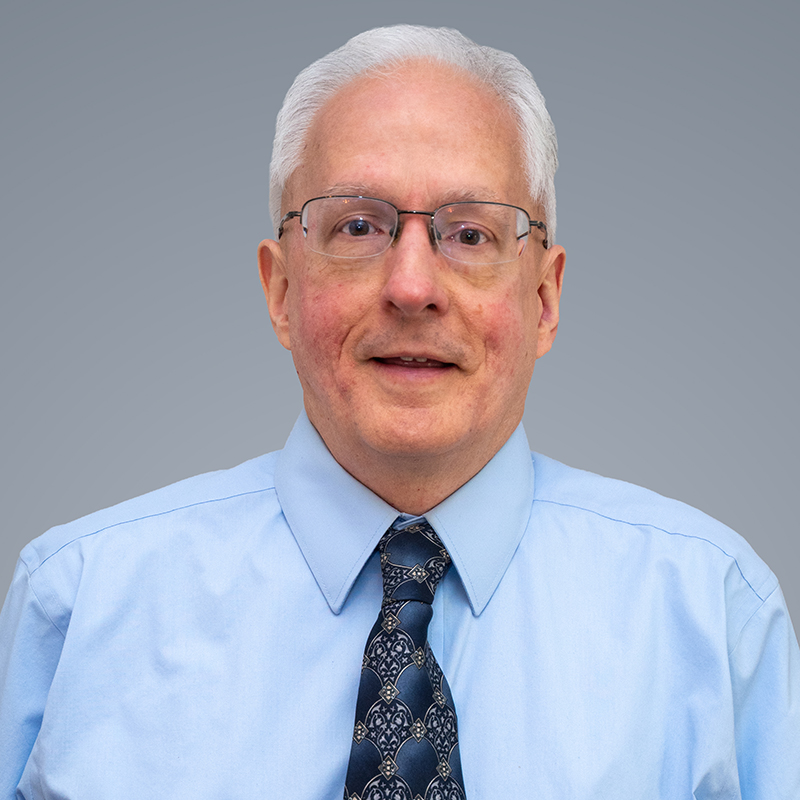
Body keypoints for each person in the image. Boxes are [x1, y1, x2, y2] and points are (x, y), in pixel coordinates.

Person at [1, 24, 798, 800]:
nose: (412, 287)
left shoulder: (711, 612)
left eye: (471, 234)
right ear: (281, 289)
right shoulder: (79, 607)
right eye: (357, 226)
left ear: (546, 299)